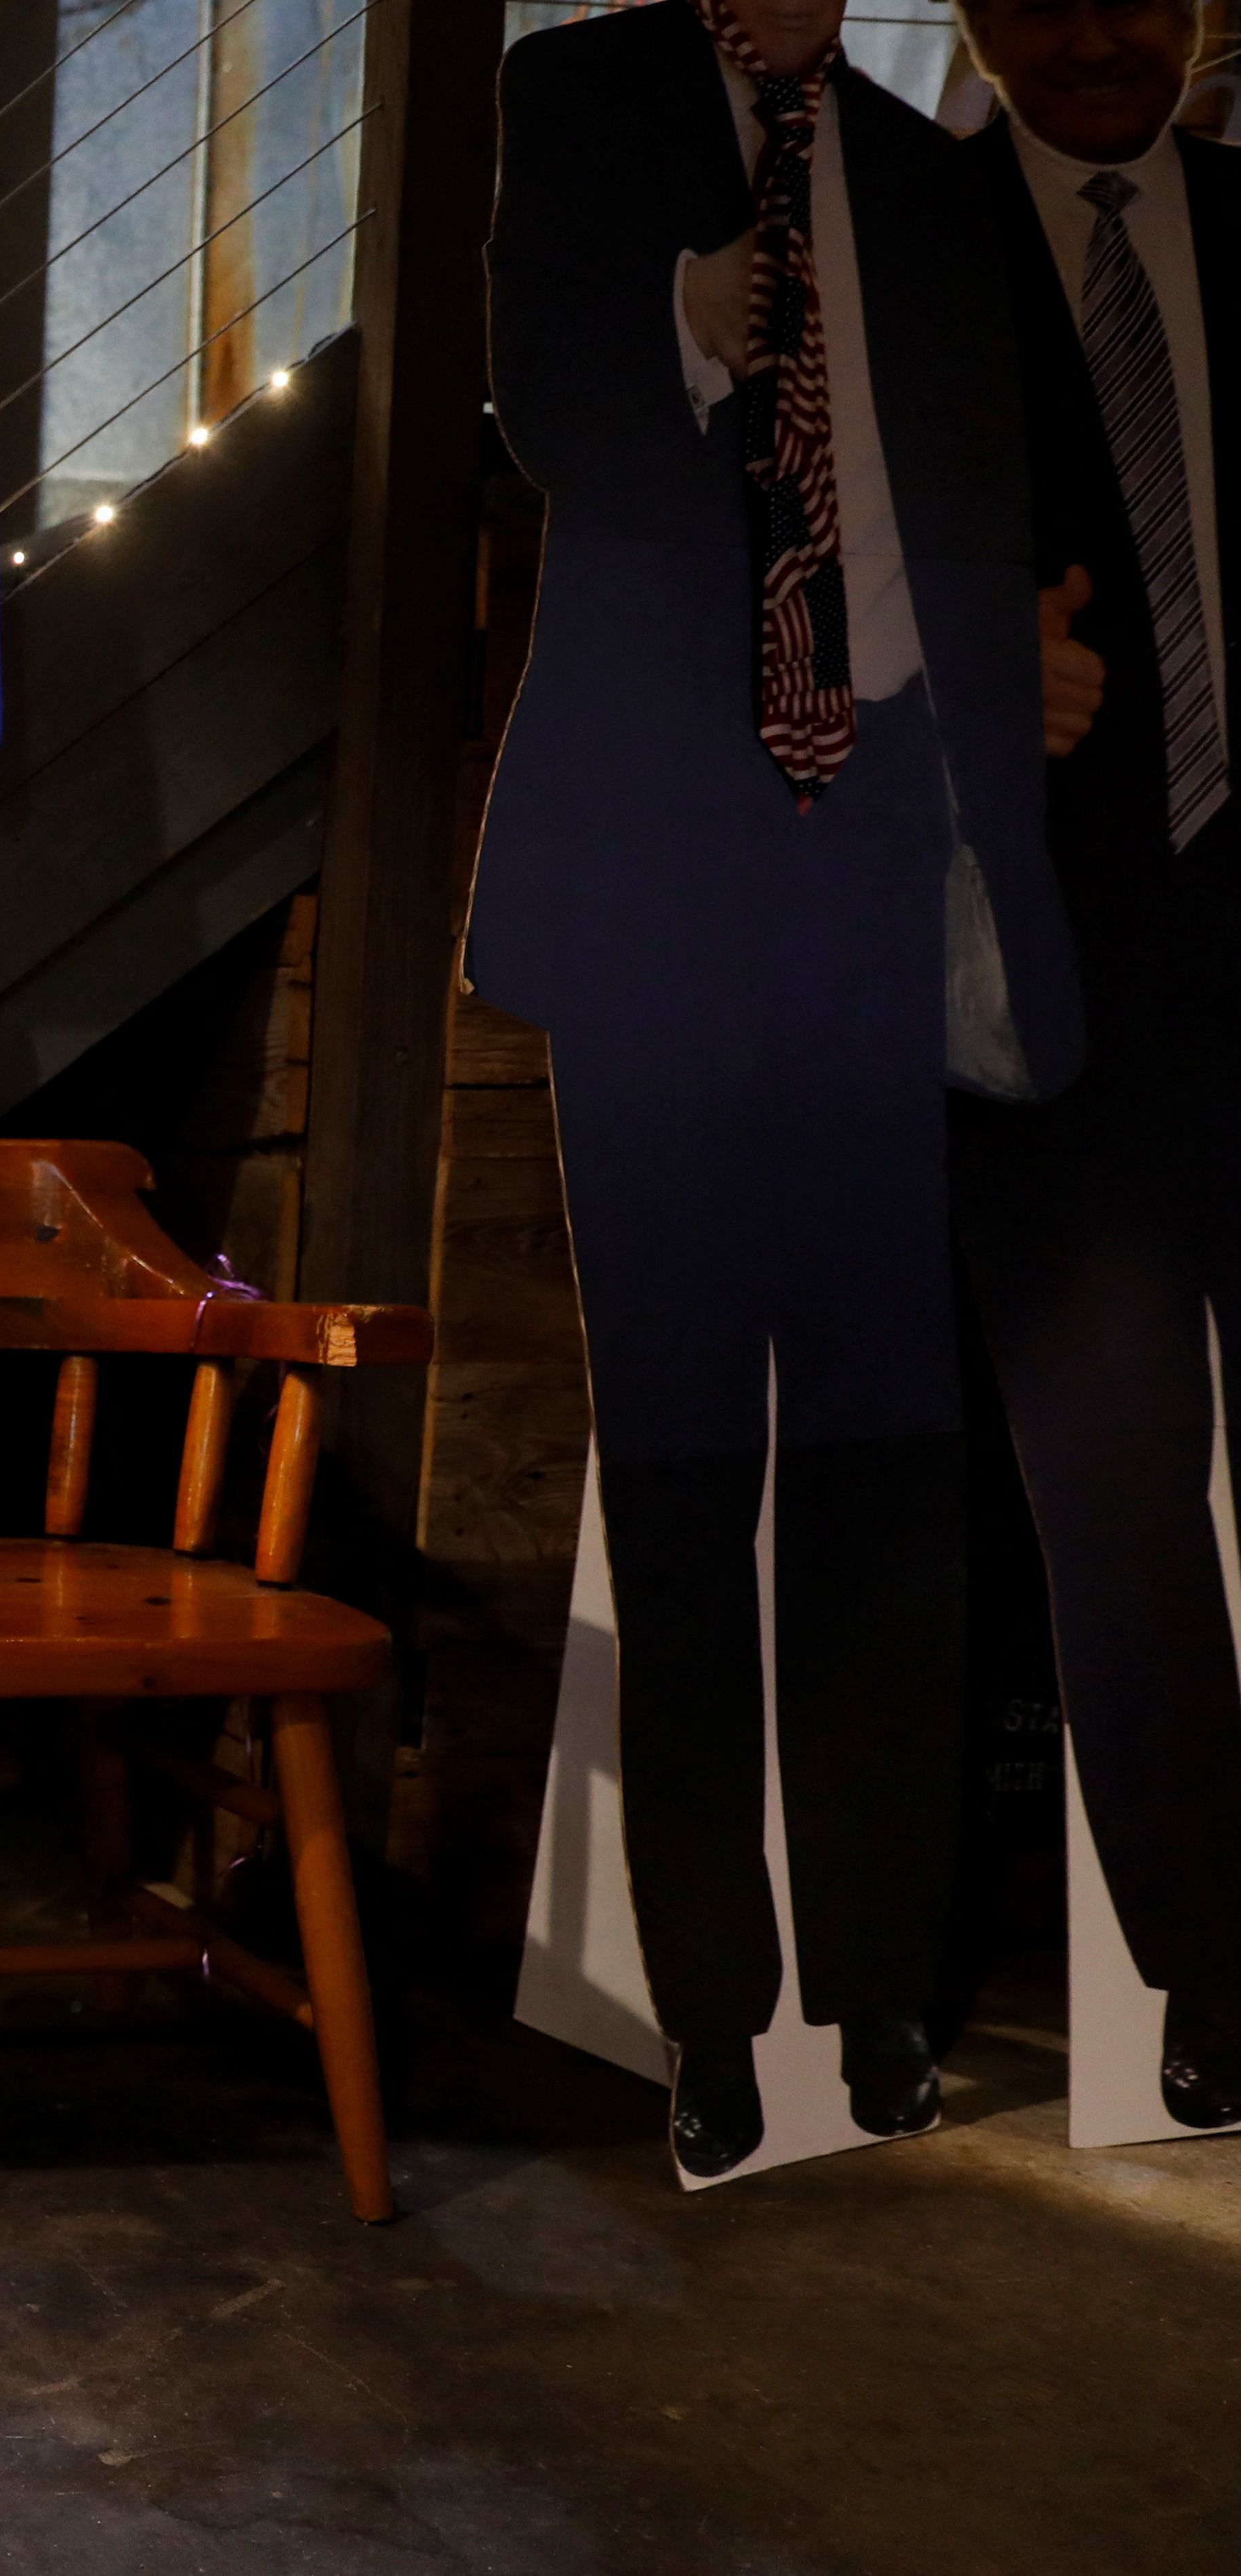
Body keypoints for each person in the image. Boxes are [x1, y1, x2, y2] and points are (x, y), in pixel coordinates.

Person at [478, 0, 1083, 2177]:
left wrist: (1020, 695)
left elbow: (989, 496)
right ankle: (712, 2019)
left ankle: (878, 1995)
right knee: (676, 1461)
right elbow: (550, 419)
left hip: (876, 870)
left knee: (877, 1468)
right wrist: (690, 321)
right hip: (651, 878)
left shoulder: (926, 176)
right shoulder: (583, 98)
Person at [953, 0, 1241, 2136]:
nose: (1088, 31)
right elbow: (749, 568)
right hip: (1055, 987)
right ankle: (1219, 1983)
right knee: (1117, 1498)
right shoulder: (893, 262)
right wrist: (969, 673)